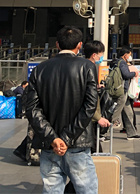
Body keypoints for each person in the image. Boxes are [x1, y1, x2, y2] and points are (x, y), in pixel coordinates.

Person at [25, 26, 98, 193]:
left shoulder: (40, 69)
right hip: (78, 142)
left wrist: (53, 138)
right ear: (80, 45)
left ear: (57, 44)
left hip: (50, 145)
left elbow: (32, 109)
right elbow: (90, 106)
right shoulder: (86, 66)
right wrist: (67, 137)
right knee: (87, 189)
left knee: (51, 189)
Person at [111, 47, 140, 140]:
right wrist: (134, 74)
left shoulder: (115, 62)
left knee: (129, 112)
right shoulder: (122, 63)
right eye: (129, 54)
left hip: (121, 89)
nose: (130, 57)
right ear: (125, 55)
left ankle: (131, 133)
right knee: (116, 112)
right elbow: (126, 74)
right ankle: (101, 131)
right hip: (121, 90)